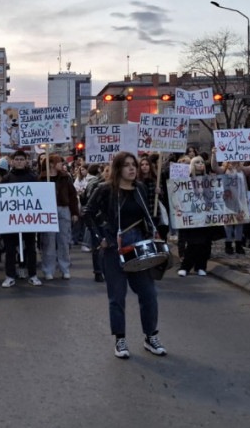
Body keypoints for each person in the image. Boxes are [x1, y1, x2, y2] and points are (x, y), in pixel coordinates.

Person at [86, 151, 167, 359]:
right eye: (127, 165)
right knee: (117, 297)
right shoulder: (105, 189)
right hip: (115, 247)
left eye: (134, 164)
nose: (132, 168)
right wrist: (100, 237)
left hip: (138, 245)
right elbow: (88, 212)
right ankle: (120, 339)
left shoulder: (139, 188)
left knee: (149, 294)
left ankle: (151, 336)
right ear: (118, 168)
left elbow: (147, 214)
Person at [0, 150, 43, 287]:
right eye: (16, 159)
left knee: (31, 248)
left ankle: (33, 275)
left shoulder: (33, 177)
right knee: (10, 249)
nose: (19, 161)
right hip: (11, 221)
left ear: (26, 161)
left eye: (21, 159)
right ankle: (10, 275)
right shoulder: (6, 179)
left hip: (28, 220)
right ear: (12, 162)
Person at [39, 155, 79, 280]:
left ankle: (65, 268)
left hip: (63, 209)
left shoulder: (65, 177)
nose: (62, 164)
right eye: (59, 162)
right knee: (49, 241)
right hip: (48, 211)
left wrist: (74, 212)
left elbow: (72, 195)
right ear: (51, 164)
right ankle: (48, 270)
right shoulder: (41, 179)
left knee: (64, 241)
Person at [177, 156, 216, 276]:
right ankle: (186, 267)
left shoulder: (208, 179)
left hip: (206, 214)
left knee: (205, 243)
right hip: (192, 215)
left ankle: (201, 266)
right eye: (197, 162)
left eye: (202, 162)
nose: (200, 164)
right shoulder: (186, 179)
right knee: (193, 242)